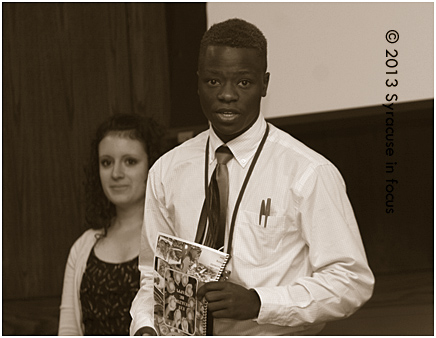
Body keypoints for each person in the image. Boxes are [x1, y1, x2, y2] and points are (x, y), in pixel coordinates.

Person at [130, 18, 374, 336]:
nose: (227, 95)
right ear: (198, 82)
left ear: (265, 84)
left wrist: (260, 303)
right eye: (213, 82)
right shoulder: (166, 171)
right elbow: (152, 274)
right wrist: (146, 326)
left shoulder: (308, 172)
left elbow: (351, 281)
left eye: (243, 82)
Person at [58, 113, 163, 335]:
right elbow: (68, 331)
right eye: (107, 162)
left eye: (130, 162)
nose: (116, 173)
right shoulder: (83, 247)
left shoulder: (169, 239)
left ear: (152, 165)